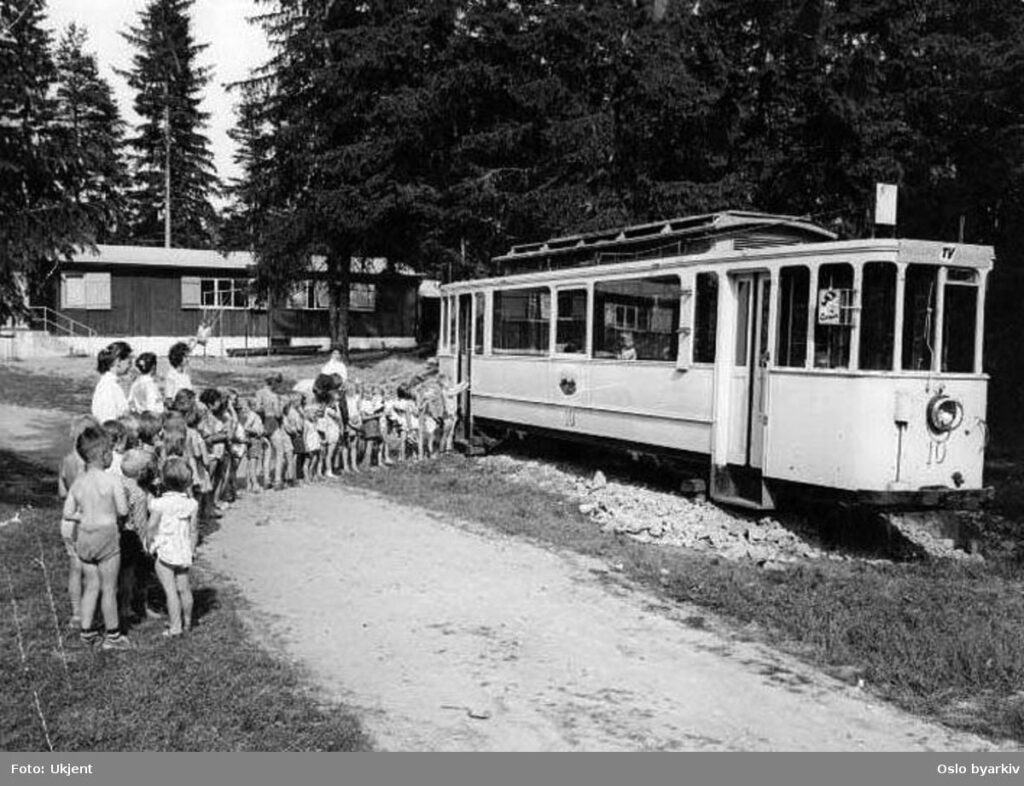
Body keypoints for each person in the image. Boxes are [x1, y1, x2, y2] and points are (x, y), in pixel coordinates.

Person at [62, 425, 131, 650]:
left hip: (84, 538)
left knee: (91, 584)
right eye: (110, 450)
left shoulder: (79, 483)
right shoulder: (113, 481)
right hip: (107, 537)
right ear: (104, 454)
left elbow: (67, 513)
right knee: (109, 588)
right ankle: (113, 636)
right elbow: (122, 511)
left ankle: (87, 630)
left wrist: (83, 516)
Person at [147, 458, 199, 637]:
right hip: (183, 550)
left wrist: (148, 541)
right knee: (184, 588)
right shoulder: (191, 504)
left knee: (170, 591)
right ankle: (187, 622)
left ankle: (175, 626)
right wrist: (192, 550)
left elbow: (152, 525)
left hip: (166, 550)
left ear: (163, 481)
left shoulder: (159, 503)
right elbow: (193, 531)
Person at [57, 415, 100, 631]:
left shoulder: (66, 460)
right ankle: (92, 613)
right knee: (92, 569)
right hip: (88, 518)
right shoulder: (91, 464)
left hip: (68, 520)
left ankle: (76, 613)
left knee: (75, 567)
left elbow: (62, 491)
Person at [91, 342, 132, 423]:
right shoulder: (107, 387)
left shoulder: (112, 384)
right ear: (118, 362)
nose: (130, 366)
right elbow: (108, 422)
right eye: (129, 362)